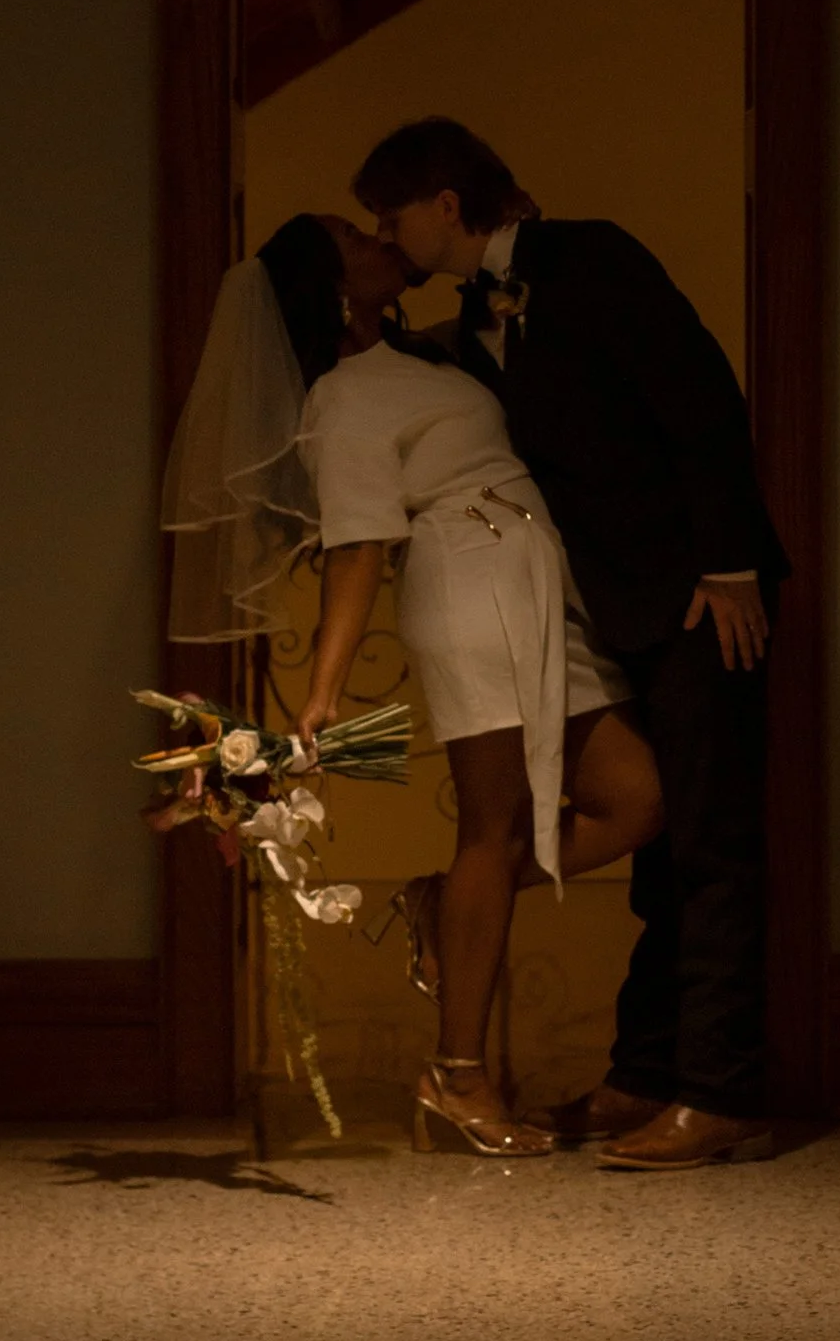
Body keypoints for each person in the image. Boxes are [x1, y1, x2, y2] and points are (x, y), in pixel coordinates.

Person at [159, 211, 662, 1158]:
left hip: (536, 574)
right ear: (335, 286)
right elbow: (359, 547)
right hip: (469, 581)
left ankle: (445, 904)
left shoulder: (427, 356)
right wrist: (323, 691)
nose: (380, 239)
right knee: (495, 824)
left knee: (636, 798)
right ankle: (458, 1074)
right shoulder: (342, 399)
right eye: (357, 238)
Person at [354, 117, 786, 1171]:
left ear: (447, 205)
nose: (387, 233)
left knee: (715, 844)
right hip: (616, 609)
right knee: (663, 854)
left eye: (392, 213)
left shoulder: (592, 256)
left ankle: (721, 1093)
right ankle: (645, 1073)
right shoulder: (473, 317)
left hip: (698, 595)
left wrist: (727, 563)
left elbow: (700, 395)